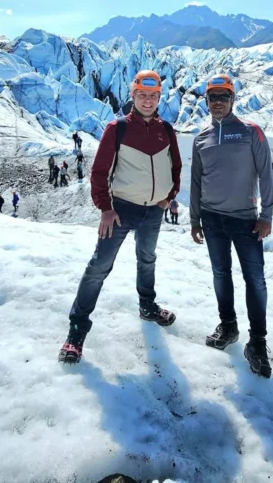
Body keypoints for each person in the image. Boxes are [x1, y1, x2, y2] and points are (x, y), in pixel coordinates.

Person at [59, 70, 183, 365]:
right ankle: (77, 330)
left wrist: (169, 195)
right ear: (133, 95)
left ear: (159, 97)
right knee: (99, 266)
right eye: (143, 94)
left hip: (154, 210)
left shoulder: (166, 130)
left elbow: (176, 167)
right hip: (121, 210)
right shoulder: (117, 129)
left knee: (147, 259)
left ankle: (147, 306)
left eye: (153, 96)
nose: (148, 100)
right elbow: (99, 172)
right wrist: (105, 208)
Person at [190, 74, 273, 378]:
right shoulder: (201, 138)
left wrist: (267, 214)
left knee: (256, 281)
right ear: (207, 101)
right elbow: (196, 180)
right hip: (212, 219)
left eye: (223, 97)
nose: (217, 103)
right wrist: (194, 218)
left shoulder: (251, 132)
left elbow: (266, 174)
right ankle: (228, 326)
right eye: (212, 98)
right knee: (220, 274)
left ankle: (258, 342)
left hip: (245, 219)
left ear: (232, 100)